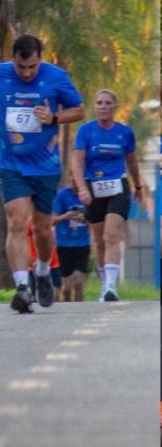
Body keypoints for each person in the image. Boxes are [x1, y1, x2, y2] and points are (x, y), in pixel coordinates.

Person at [0, 34, 84, 313]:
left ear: (41, 58)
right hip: (11, 162)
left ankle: (41, 271)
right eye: (20, 67)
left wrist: (53, 118)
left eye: (32, 67)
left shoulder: (57, 77)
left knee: (42, 228)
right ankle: (22, 288)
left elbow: (78, 110)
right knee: (17, 222)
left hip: (45, 166)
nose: (26, 73)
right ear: (12, 59)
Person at [71, 89, 145, 302]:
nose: (102, 106)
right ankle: (105, 283)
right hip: (93, 187)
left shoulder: (125, 132)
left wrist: (138, 185)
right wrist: (82, 188)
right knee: (99, 239)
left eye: (107, 103)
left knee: (111, 235)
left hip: (118, 186)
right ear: (95, 107)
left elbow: (132, 162)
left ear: (114, 107)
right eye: (99, 103)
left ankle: (111, 287)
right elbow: (77, 161)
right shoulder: (85, 131)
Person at [52, 174, 90, 302]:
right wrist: (66, 216)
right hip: (64, 244)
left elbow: (96, 220)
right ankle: (68, 311)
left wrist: (84, 219)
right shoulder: (62, 195)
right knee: (67, 287)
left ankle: (80, 311)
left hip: (82, 243)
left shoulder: (88, 195)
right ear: (70, 180)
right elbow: (52, 220)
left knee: (78, 282)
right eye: (75, 181)